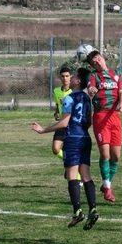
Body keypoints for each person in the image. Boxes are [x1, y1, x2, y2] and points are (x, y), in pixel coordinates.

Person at [31, 68, 99, 230]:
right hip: (85, 138)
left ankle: (77, 211)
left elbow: (64, 123)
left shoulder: (69, 98)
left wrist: (43, 130)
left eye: (74, 76)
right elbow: (89, 121)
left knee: (71, 176)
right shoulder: (86, 98)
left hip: (73, 139)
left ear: (77, 81)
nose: (72, 77)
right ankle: (93, 209)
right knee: (86, 175)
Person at [86, 49, 122, 203]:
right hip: (101, 116)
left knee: (116, 156)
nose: (97, 62)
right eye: (93, 62)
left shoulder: (116, 74)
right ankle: (107, 188)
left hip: (115, 117)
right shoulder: (94, 76)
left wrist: (121, 105)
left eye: (98, 58)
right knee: (105, 154)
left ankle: (106, 184)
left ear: (102, 58)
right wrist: (92, 90)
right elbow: (91, 88)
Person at [52, 67, 72, 161]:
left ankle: (74, 168)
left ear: (70, 77)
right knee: (56, 149)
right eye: (63, 76)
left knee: (71, 149)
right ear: (60, 78)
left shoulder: (74, 92)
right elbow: (58, 104)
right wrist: (56, 112)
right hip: (61, 123)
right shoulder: (56, 91)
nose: (65, 78)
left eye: (67, 76)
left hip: (72, 125)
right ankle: (69, 160)